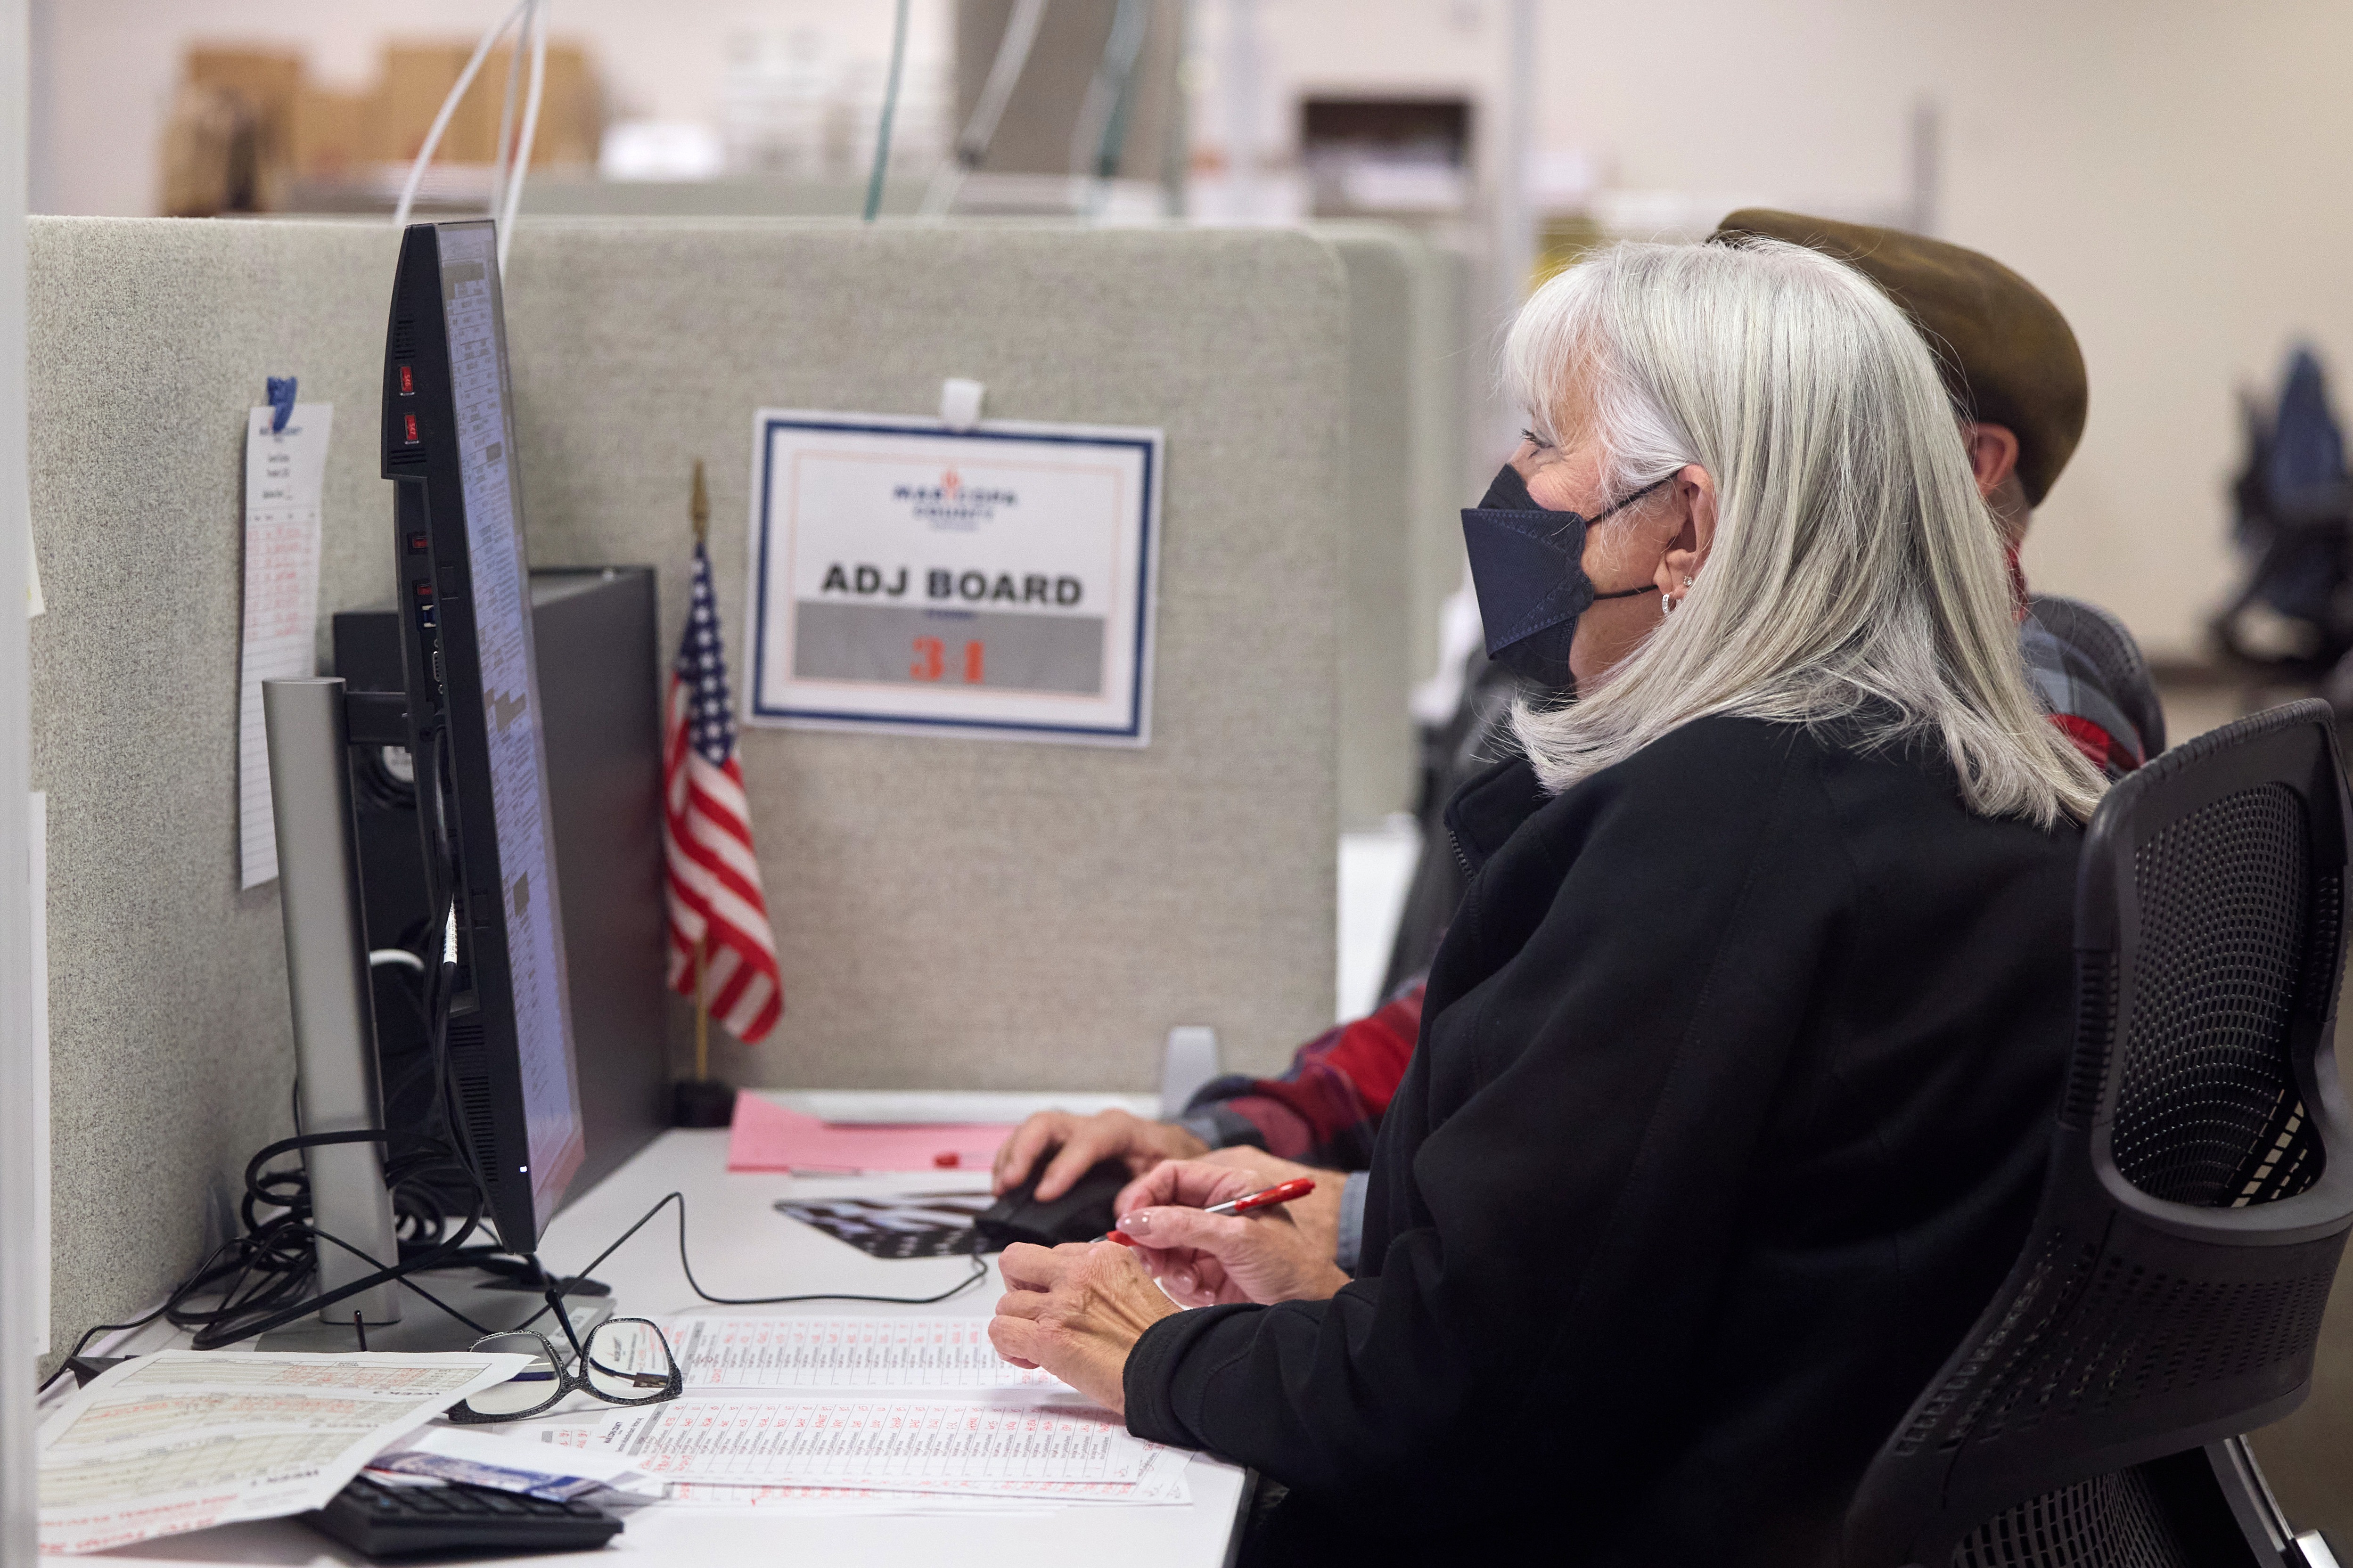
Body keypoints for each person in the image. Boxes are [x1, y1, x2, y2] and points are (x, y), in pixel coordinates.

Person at [987, 235, 2106, 1564]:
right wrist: (1339, 1291)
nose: (1512, 484)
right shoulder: (1944, 776)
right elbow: (1637, 1282)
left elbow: (1460, 1413)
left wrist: (1156, 1352)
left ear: (1686, 527)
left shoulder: (1724, 827)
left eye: (1542, 440)